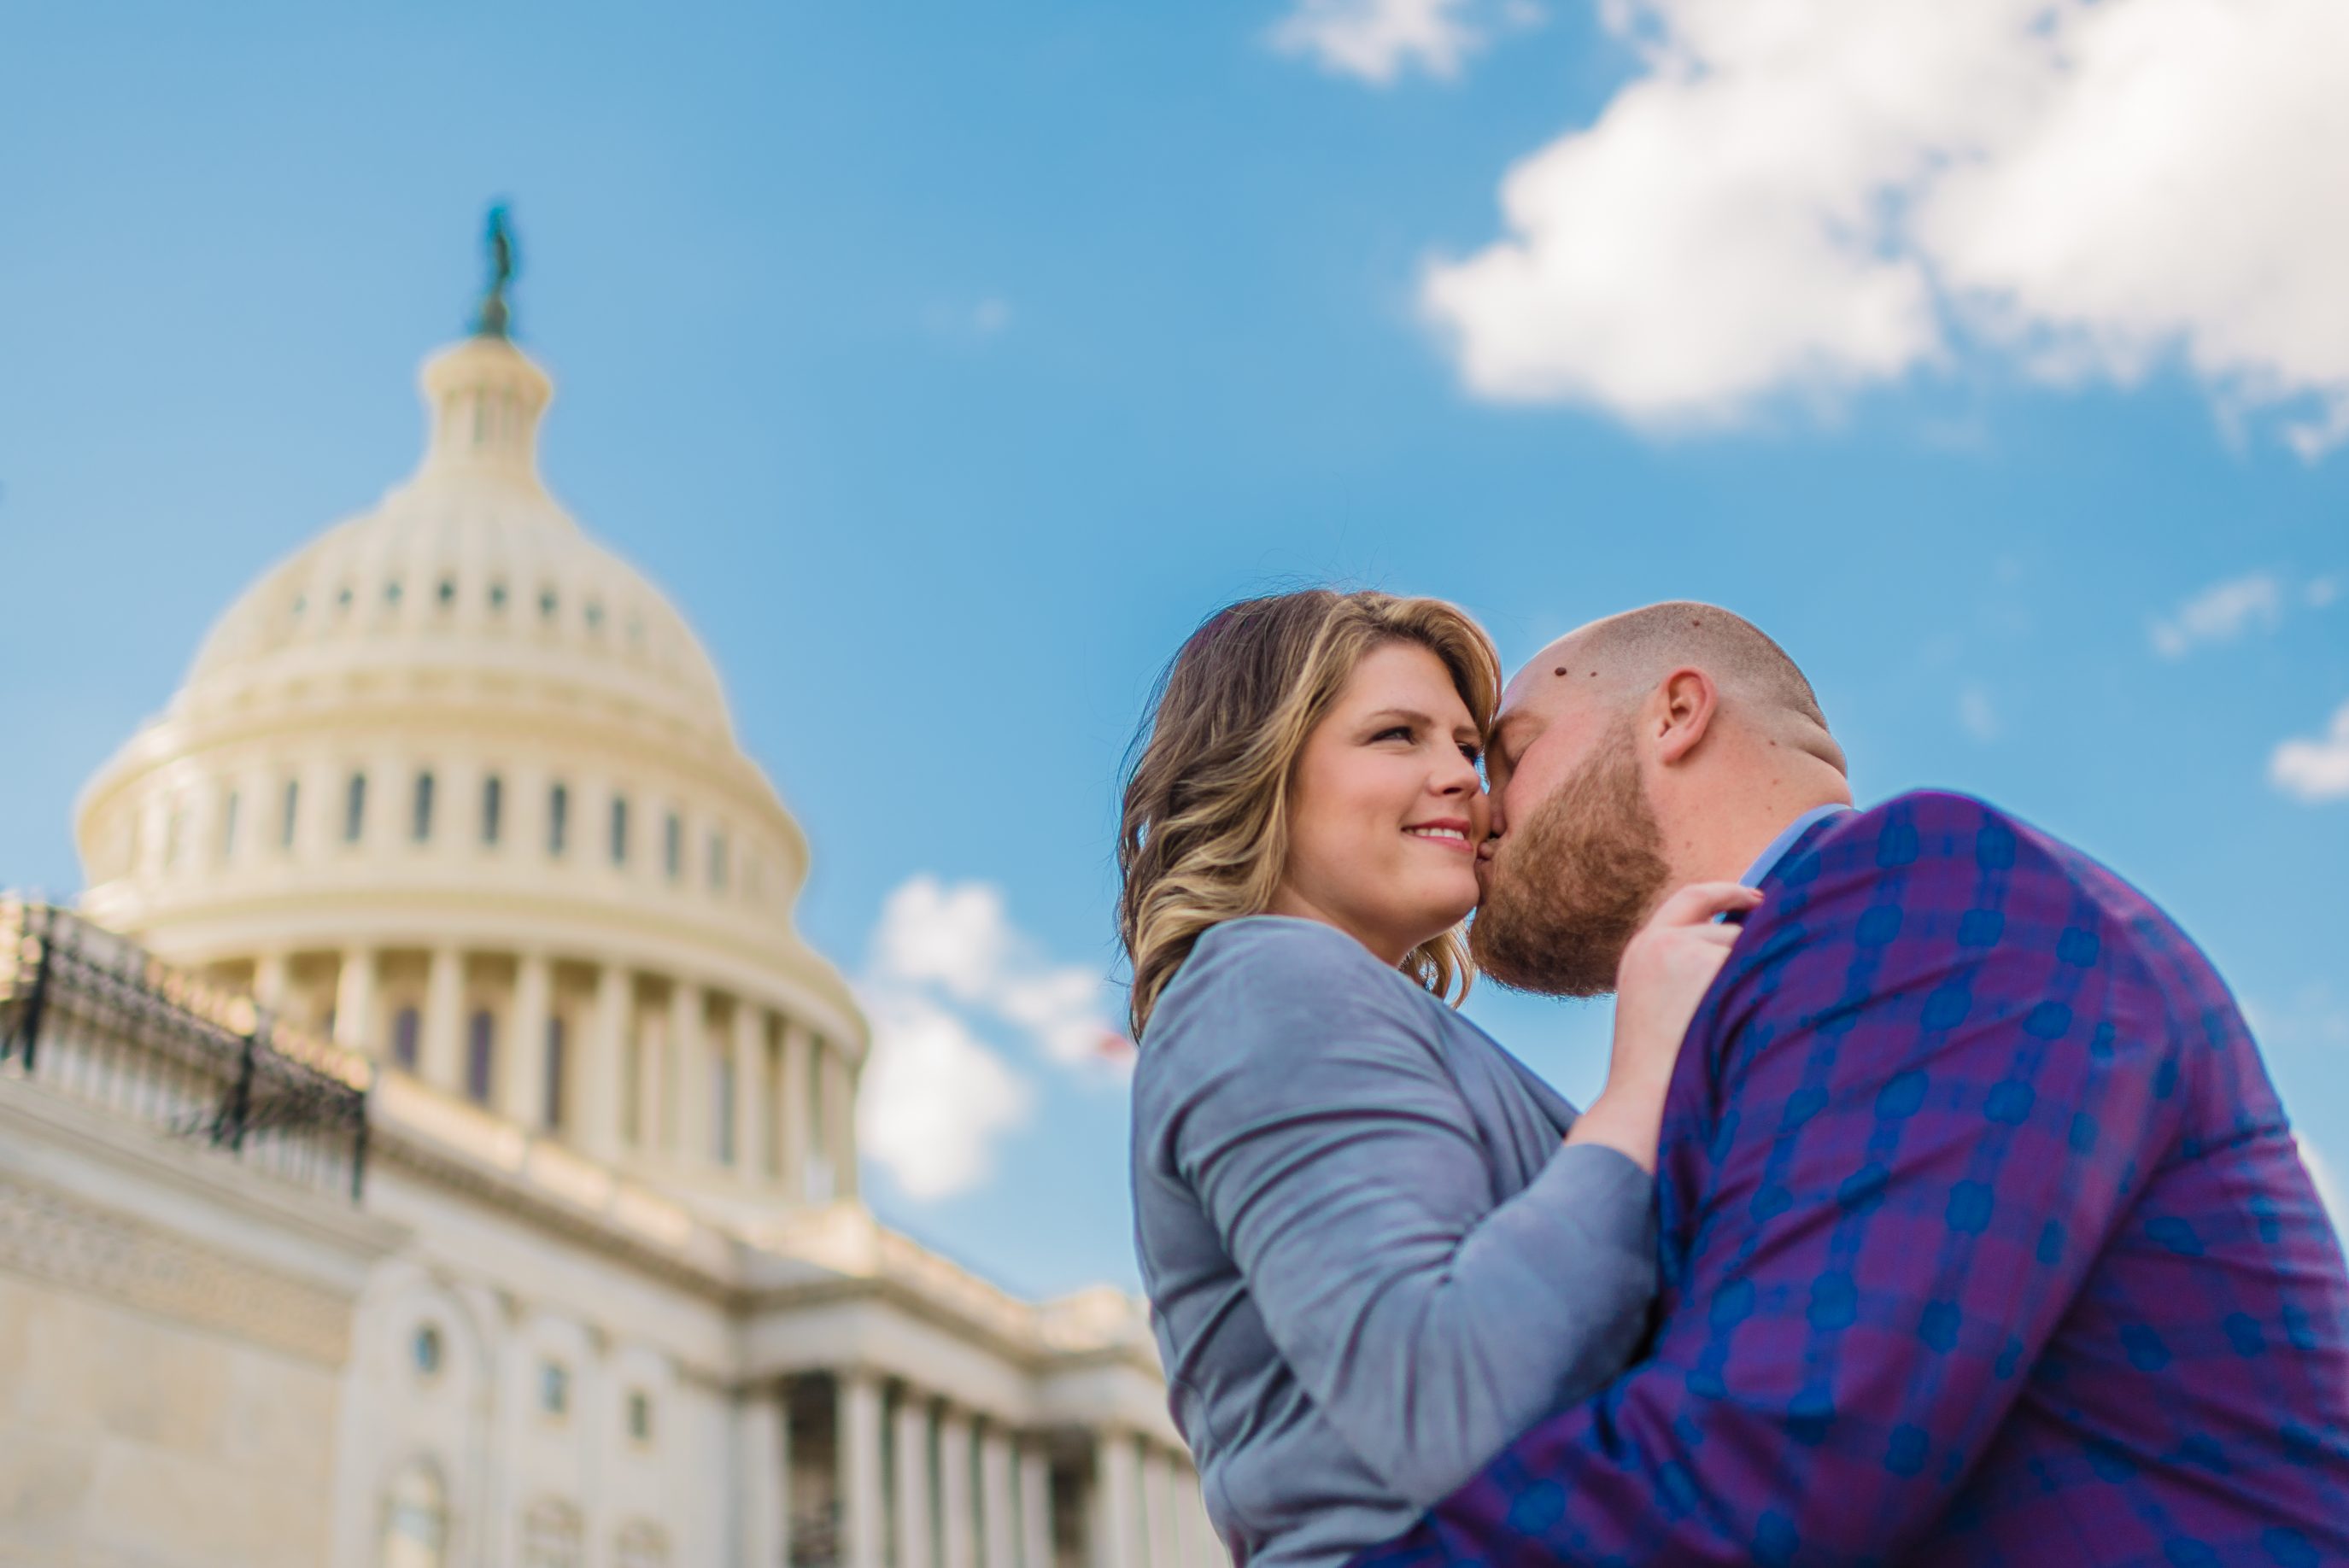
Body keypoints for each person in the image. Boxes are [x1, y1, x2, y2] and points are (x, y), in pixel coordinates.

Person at [1348, 602, 2349, 1567]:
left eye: (1510, 754)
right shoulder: (1800, 988)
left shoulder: (1927, 886)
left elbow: (1769, 1452)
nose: (1477, 803)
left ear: (1676, 713)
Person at [1122, 589, 1755, 1568]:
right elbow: (1446, 1403)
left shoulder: (1344, 1005)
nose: (1461, 779)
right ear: (1260, 775)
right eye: (1394, 736)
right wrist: (1644, 1082)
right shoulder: (1267, 978)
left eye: (1466, 748)